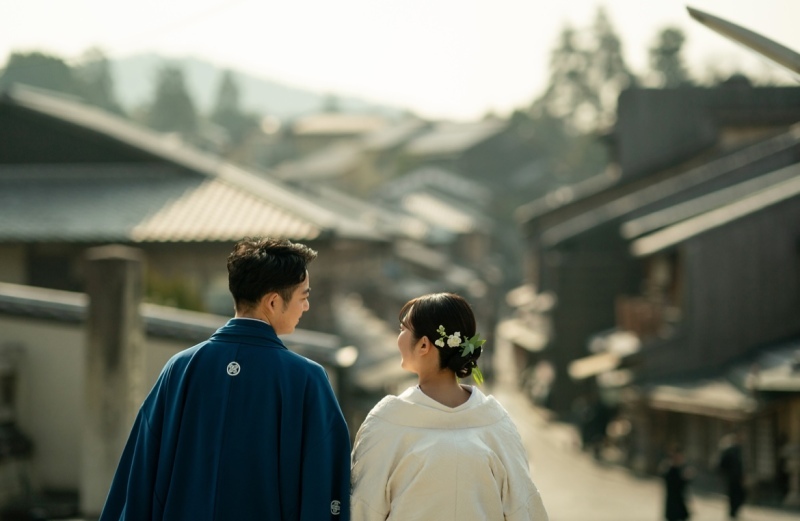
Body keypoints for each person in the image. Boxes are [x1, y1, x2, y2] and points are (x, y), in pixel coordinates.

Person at [99, 237, 351, 521]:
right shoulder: (306, 378)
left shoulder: (181, 368)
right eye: (303, 297)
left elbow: (141, 469)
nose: (305, 307)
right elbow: (323, 478)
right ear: (272, 301)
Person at [350, 292, 548, 520]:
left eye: (403, 329)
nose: (399, 337)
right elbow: (525, 510)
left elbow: (362, 509)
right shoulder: (496, 423)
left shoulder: (387, 422)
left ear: (424, 345)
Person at [660, 444, 693, 521]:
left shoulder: (679, 469)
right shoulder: (670, 470)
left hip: (680, 503)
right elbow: (674, 485)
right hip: (673, 504)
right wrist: (684, 478)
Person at [718, 432, 746, 519]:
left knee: (740, 495)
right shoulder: (730, 451)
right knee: (734, 495)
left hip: (737, 477)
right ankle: (733, 512)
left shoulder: (738, 450)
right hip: (731, 477)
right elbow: (722, 464)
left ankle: (734, 511)